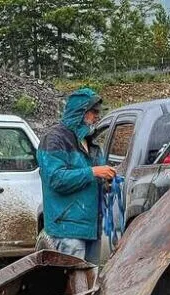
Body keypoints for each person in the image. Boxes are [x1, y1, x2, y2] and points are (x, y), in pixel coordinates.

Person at [37, 87, 116, 263]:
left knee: (88, 282)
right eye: (93, 111)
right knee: (72, 283)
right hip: (67, 228)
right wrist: (93, 172)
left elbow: (95, 179)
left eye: (98, 112)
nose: (97, 116)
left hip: (91, 227)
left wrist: (107, 182)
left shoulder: (91, 143)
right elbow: (56, 179)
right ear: (80, 112)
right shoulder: (55, 139)